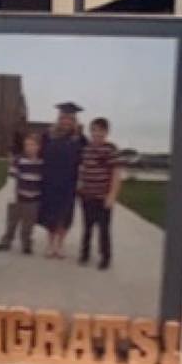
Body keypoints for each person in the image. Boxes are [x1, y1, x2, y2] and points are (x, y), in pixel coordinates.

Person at [37, 101, 85, 260]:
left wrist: (82, 181)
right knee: (50, 214)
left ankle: (60, 245)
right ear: (59, 118)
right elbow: (39, 155)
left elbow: (86, 160)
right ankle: (51, 244)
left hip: (69, 182)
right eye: (63, 118)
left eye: (70, 118)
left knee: (65, 215)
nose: (66, 121)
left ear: (74, 120)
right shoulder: (48, 135)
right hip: (49, 180)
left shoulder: (80, 138)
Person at [77, 116, 123, 270]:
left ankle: (105, 257)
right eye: (94, 130)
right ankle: (84, 254)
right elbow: (82, 169)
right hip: (87, 196)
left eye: (100, 131)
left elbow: (116, 174)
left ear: (106, 132)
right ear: (91, 131)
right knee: (87, 227)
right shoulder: (86, 149)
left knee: (103, 230)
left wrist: (112, 196)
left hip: (103, 198)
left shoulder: (110, 149)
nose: (97, 134)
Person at [0, 130, 44, 254]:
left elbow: (44, 181)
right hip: (17, 197)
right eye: (27, 145)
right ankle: (6, 241)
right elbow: (11, 178)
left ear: (38, 147)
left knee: (28, 225)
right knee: (12, 222)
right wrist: (11, 195)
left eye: (33, 145)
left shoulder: (42, 163)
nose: (30, 148)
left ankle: (26, 244)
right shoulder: (18, 160)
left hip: (33, 200)